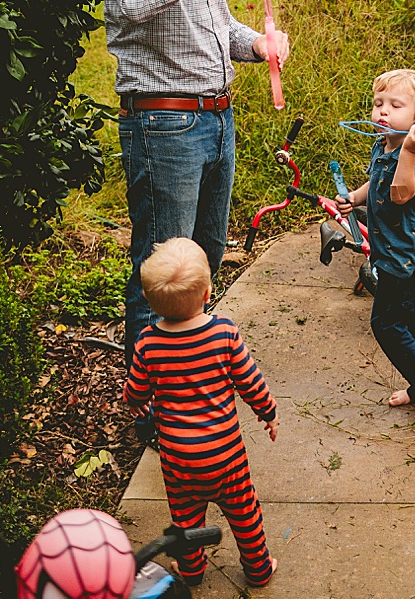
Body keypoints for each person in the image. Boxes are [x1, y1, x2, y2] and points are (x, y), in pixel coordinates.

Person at [102, 0, 290, 385]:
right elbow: (133, 0)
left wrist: (255, 46)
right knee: (161, 271)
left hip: (216, 120)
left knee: (201, 266)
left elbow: (213, 23)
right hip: (164, 126)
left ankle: (193, 382)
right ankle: (156, 405)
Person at [124, 238, 279, 588]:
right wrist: (268, 412)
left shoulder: (148, 343)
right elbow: (251, 382)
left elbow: (135, 390)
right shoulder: (223, 334)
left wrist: (137, 402)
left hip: (178, 458)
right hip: (225, 455)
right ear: (208, 293)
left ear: (149, 301)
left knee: (186, 518)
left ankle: (191, 571)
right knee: (244, 512)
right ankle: (258, 568)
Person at [337, 69, 415, 430]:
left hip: (406, 256)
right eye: (378, 104)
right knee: (413, 322)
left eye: (394, 105)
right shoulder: (384, 143)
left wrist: (411, 150)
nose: (382, 112)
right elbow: (379, 182)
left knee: (386, 324)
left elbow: (402, 193)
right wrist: (354, 198)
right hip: (388, 251)